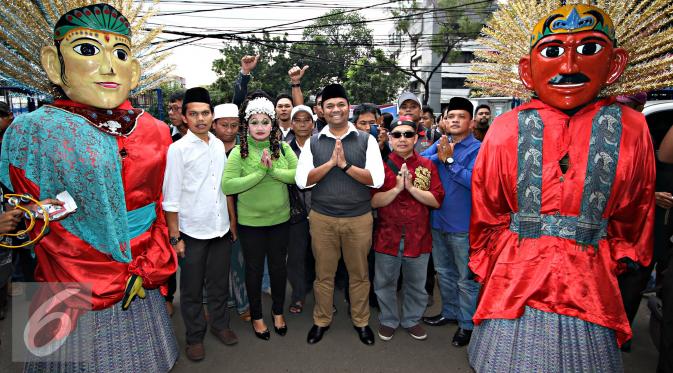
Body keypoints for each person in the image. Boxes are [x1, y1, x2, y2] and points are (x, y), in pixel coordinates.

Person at [466, 3, 661, 371]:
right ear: (527, 71)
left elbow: (638, 207)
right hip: (516, 275)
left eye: (588, 49)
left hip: (589, 277)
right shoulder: (505, 127)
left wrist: (615, 256)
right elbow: (486, 205)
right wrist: (498, 258)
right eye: (553, 51)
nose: (569, 66)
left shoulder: (633, 128)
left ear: (616, 63)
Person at [0, 4, 178, 371]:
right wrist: (30, 217)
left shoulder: (155, 130)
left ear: (134, 70)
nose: (110, 67)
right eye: (87, 50)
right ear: (53, 62)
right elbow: (27, 206)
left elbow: (159, 200)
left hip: (143, 262)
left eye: (121, 53)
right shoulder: (33, 130)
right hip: (68, 266)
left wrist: (153, 250)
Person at [295, 83, 384, 346]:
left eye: (341, 104)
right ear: (321, 110)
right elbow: (303, 181)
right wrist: (331, 164)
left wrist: (345, 166)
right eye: (330, 105)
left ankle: (361, 321)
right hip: (322, 219)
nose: (336, 109)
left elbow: (376, 180)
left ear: (349, 107)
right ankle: (321, 320)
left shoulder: (366, 140)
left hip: (359, 218)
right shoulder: (313, 142)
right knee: (324, 275)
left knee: (359, 275)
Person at [163, 87, 237, 361]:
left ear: (212, 115)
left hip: (220, 229)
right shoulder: (177, 150)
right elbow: (170, 199)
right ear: (184, 117)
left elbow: (224, 189)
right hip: (191, 232)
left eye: (205, 113)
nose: (200, 119)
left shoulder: (218, 145)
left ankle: (220, 325)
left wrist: (232, 223)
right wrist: (175, 238)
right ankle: (194, 337)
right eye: (193, 114)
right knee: (192, 289)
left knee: (219, 284)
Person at [222, 94, 298, 340]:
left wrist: (273, 170)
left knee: (278, 269)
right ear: (247, 125)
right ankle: (257, 316)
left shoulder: (283, 147)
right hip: (251, 225)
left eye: (265, 122)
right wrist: (259, 173)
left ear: (272, 124)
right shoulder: (238, 152)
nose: (260, 127)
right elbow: (228, 185)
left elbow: (297, 175)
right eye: (254, 122)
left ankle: (277, 312)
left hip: (280, 221)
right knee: (253, 271)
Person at [372, 117, 444, 342]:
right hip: (387, 235)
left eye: (408, 134)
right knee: (384, 283)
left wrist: (411, 188)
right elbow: (373, 202)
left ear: (416, 138)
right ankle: (388, 320)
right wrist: (396, 189)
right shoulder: (381, 166)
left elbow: (435, 200)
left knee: (416, 283)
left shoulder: (426, 165)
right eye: (397, 135)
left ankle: (412, 319)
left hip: (418, 236)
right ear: (390, 139)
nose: (402, 139)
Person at [420, 97, 481, 347]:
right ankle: (450, 312)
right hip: (438, 221)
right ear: (443, 121)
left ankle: (467, 325)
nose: (455, 120)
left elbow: (476, 183)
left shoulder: (479, 149)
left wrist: (449, 161)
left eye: (461, 116)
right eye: (450, 116)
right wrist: (440, 150)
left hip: (462, 226)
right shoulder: (442, 144)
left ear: (472, 122)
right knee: (444, 273)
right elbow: (421, 162)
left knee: (465, 279)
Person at [212, 103, 251, 321]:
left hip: (242, 211)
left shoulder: (244, 148)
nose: (229, 130)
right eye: (224, 125)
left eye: (234, 125)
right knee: (214, 264)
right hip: (212, 213)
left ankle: (243, 304)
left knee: (239, 261)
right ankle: (214, 303)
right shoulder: (208, 147)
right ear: (214, 125)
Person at [286, 105, 315, 314]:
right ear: (292, 124)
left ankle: (325, 299)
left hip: (321, 210)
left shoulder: (323, 146)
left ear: (313, 124)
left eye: (307, 120)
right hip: (294, 213)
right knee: (295, 257)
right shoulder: (284, 148)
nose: (302, 124)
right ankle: (298, 295)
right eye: (298, 120)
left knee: (322, 258)